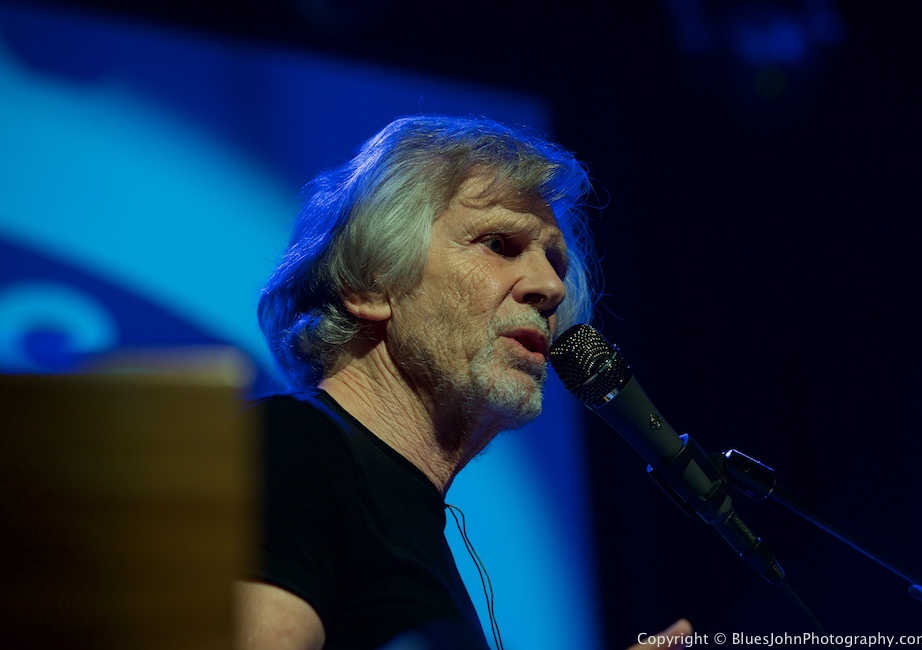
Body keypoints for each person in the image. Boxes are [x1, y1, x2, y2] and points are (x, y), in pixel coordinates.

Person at [235, 115, 691, 649]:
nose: (550, 288)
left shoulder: (407, 522)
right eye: (499, 244)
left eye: (555, 261)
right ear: (369, 282)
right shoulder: (287, 449)